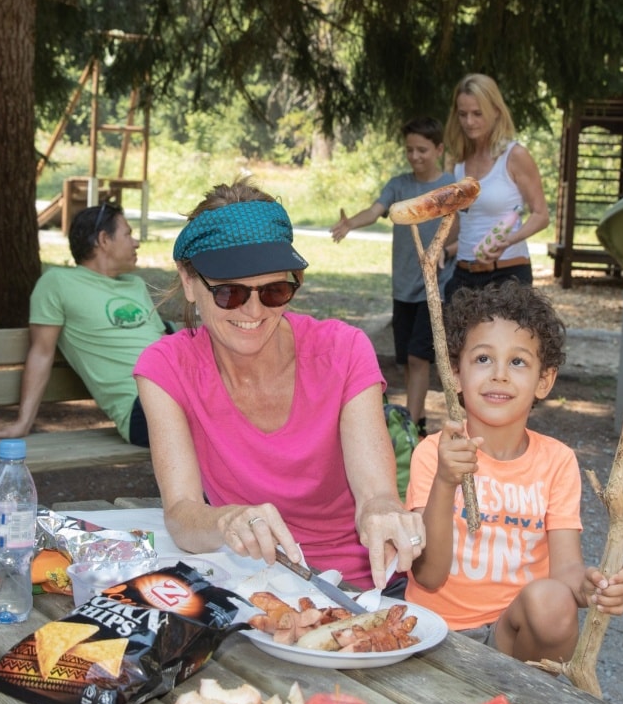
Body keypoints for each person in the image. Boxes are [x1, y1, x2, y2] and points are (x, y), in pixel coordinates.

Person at [134, 181, 425, 591]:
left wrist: (382, 510)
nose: (253, 311)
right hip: (257, 585)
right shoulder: (167, 368)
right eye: (230, 293)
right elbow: (182, 514)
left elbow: (375, 492)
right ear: (187, 281)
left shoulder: (343, 351)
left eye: (274, 290)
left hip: (366, 585)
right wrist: (227, 519)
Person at [406, 282, 623, 661]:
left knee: (552, 601)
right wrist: (447, 481)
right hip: (437, 633)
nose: (499, 375)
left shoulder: (557, 461)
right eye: (482, 359)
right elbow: (428, 576)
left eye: (518, 362)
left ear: (544, 380)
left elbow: (565, 572)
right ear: (455, 372)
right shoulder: (434, 453)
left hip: (513, 638)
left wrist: (592, 588)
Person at [0, 202, 165, 446]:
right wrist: (24, 421)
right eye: (128, 234)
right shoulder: (58, 283)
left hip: (178, 389)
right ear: (104, 240)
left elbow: (164, 344)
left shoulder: (135, 285)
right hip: (144, 407)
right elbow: (41, 353)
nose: (136, 242)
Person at [331, 116, 456, 433]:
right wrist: (350, 224)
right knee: (406, 361)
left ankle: (410, 427)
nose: (415, 156)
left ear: (439, 149)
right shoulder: (399, 185)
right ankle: (419, 418)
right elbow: (375, 210)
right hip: (403, 285)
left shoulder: (450, 186)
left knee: (418, 357)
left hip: (435, 287)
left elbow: (465, 232)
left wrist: (449, 250)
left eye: (422, 150)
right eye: (410, 150)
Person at [443, 73, 550, 299]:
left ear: (496, 111)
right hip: (463, 275)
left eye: (477, 113)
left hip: (507, 275)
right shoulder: (458, 161)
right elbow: (462, 219)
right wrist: (437, 248)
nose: (469, 122)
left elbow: (541, 215)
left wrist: (508, 240)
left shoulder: (514, 155)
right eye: (463, 114)